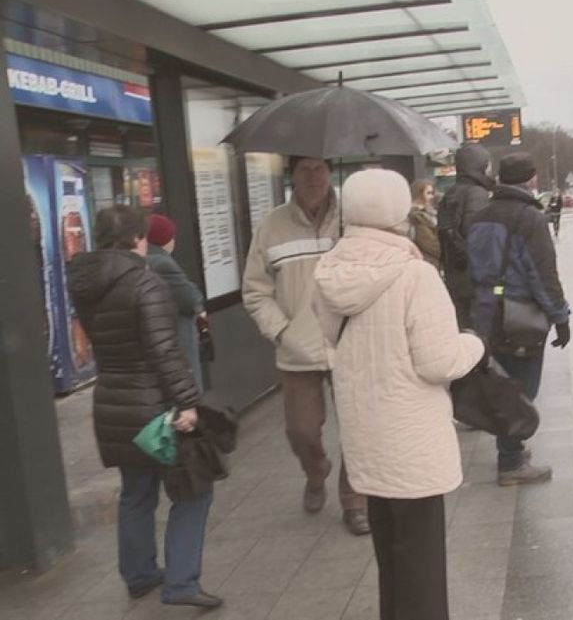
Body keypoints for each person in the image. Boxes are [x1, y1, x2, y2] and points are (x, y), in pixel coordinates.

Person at [313, 169, 484, 620]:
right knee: (423, 568)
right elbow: (439, 363)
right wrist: (474, 341)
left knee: (392, 558)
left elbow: (332, 337)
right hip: (411, 441)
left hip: (366, 434)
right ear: (396, 212)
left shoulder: (329, 270)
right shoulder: (415, 276)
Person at [67, 206, 220, 609]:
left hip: (113, 404)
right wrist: (187, 402)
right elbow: (164, 350)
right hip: (154, 406)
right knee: (193, 491)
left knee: (136, 494)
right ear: (139, 239)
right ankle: (182, 582)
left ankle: (139, 575)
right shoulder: (144, 283)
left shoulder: (84, 282)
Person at [242, 155, 368, 535]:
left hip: (349, 345)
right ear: (292, 175)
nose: (313, 177)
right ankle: (316, 472)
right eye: (304, 169)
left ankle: (355, 501)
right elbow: (255, 291)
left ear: (331, 173)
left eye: (320, 169)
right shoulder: (271, 226)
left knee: (358, 429)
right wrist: (282, 332)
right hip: (298, 351)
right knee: (301, 430)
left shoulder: (353, 220)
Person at [467, 153, 571, 486]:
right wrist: (560, 317)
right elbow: (543, 274)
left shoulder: (480, 217)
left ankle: (511, 449)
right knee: (521, 389)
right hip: (518, 317)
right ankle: (510, 460)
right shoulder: (530, 219)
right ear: (531, 179)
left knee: (500, 382)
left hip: (485, 314)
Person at [146, 213, 206, 390]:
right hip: (176, 340)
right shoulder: (163, 263)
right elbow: (191, 298)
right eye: (172, 236)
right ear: (164, 240)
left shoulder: (142, 261)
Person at [438, 143, 494, 328]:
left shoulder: (450, 194)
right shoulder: (477, 194)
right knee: (480, 336)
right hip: (475, 279)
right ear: (479, 166)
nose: (490, 169)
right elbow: (480, 239)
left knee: (463, 328)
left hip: (455, 276)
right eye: (487, 165)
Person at [409, 179, 442, 270]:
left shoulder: (430, 214)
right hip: (427, 262)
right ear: (418, 194)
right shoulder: (416, 217)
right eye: (428, 193)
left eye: (432, 193)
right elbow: (430, 244)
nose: (432, 196)